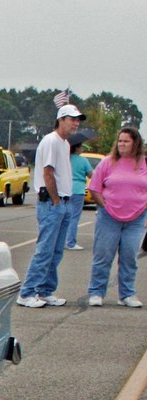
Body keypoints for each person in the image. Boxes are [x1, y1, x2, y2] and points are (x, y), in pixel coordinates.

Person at [17, 104, 86, 308]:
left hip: (64, 201)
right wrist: (55, 199)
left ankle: (45, 290)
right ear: (61, 119)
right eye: (72, 119)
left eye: (77, 120)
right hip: (51, 202)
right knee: (45, 250)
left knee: (56, 251)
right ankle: (27, 292)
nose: (76, 123)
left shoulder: (64, 144)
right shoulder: (51, 141)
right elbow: (48, 172)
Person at [85, 126, 147, 307]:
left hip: (136, 219)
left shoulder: (144, 163)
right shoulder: (107, 162)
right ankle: (96, 292)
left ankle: (127, 294)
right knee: (103, 255)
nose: (122, 144)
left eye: (126, 141)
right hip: (109, 218)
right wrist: (104, 205)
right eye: (120, 140)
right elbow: (94, 188)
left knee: (129, 257)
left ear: (135, 143)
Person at [65, 132, 95, 250]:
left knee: (64, 216)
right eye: (81, 146)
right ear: (77, 147)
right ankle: (71, 242)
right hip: (78, 189)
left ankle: (62, 241)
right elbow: (91, 174)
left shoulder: (65, 159)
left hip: (65, 189)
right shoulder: (83, 161)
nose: (82, 148)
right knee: (74, 217)